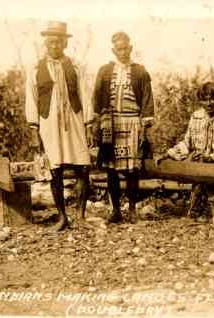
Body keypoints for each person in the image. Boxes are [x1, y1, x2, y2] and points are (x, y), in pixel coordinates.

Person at [25, 21, 94, 231]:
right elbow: (32, 98)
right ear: (45, 43)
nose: (54, 46)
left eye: (58, 42)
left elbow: (85, 94)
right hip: (49, 123)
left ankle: (80, 217)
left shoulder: (75, 67)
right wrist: (33, 129)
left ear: (65, 43)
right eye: (50, 42)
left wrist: (88, 125)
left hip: (73, 120)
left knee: (83, 167)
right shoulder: (36, 68)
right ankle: (62, 218)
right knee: (55, 169)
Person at [92, 31, 154, 224]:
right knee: (111, 169)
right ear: (113, 50)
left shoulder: (140, 72)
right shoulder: (104, 71)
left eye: (126, 48)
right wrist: (97, 123)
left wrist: (145, 126)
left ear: (131, 48)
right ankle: (116, 210)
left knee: (131, 169)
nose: (123, 52)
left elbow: (147, 99)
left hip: (132, 121)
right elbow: (97, 97)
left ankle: (133, 210)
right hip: (111, 122)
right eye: (119, 49)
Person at [157, 82, 214, 222]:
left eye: (212, 98)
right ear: (200, 101)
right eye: (205, 99)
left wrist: (211, 157)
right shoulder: (196, 117)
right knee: (194, 218)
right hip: (199, 168)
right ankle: (197, 208)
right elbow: (187, 143)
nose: (209, 103)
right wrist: (169, 153)